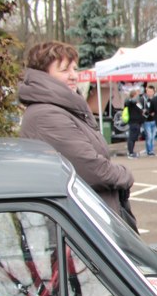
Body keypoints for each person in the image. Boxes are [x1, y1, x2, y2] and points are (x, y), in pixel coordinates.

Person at [18, 41, 135, 223]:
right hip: (80, 218)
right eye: (65, 70)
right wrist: (125, 175)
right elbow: (92, 170)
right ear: (44, 75)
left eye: (74, 69)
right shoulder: (47, 115)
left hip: (87, 213)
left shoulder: (63, 108)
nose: (74, 76)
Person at [124, 89, 147, 158]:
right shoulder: (130, 102)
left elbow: (140, 109)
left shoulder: (137, 103)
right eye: (137, 95)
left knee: (134, 137)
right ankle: (130, 152)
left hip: (138, 122)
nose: (138, 96)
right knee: (132, 137)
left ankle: (131, 151)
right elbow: (129, 101)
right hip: (133, 122)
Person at [142, 85, 157, 156]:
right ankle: (149, 150)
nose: (149, 93)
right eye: (148, 91)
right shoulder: (143, 99)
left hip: (154, 120)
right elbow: (141, 109)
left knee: (153, 136)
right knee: (149, 136)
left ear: (154, 92)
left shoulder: (156, 99)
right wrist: (146, 112)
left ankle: (151, 149)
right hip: (146, 120)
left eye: (151, 91)